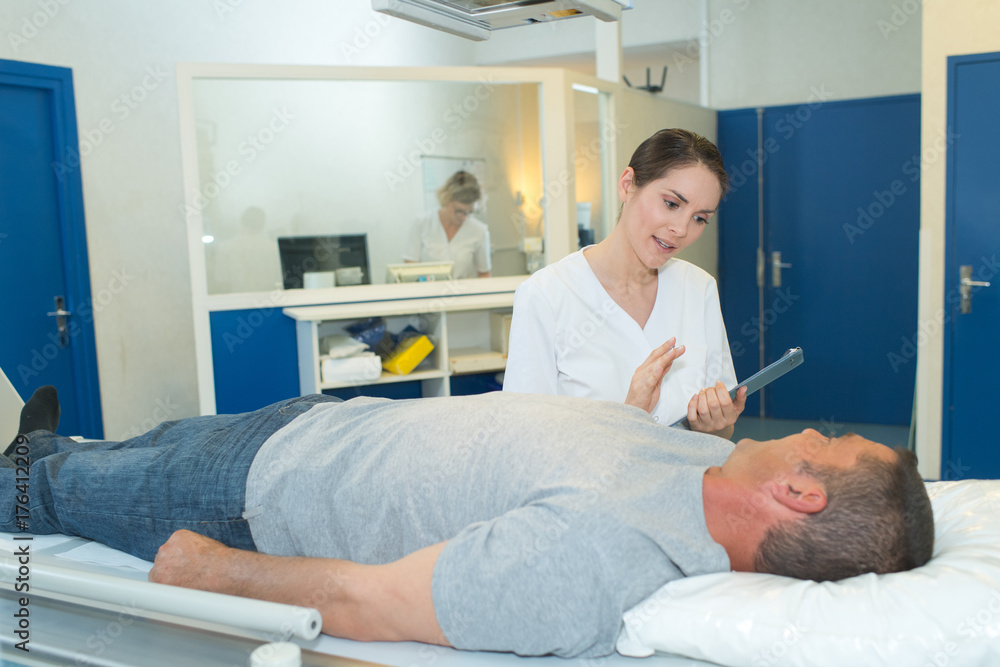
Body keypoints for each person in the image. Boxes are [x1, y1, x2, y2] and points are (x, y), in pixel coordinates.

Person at [3, 387, 934, 659]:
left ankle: (25, 473)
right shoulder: (703, 462)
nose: (810, 426)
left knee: (53, 496)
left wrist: (215, 571)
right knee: (127, 439)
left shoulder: (595, 559)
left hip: (250, 491)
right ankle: (46, 448)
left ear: (801, 494)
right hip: (320, 423)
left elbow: (373, 602)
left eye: (832, 436)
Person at [504, 129, 744, 438]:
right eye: (671, 204)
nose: (681, 229)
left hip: (688, 481)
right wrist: (629, 415)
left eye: (699, 218)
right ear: (627, 185)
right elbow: (525, 441)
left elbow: (721, 435)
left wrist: (717, 424)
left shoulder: (699, 288)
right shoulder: (546, 295)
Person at [403, 170, 491, 279]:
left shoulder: (479, 231)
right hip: (427, 292)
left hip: (464, 293)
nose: (464, 217)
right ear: (446, 199)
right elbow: (410, 265)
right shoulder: (422, 223)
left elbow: (484, 273)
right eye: (459, 211)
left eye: (469, 212)